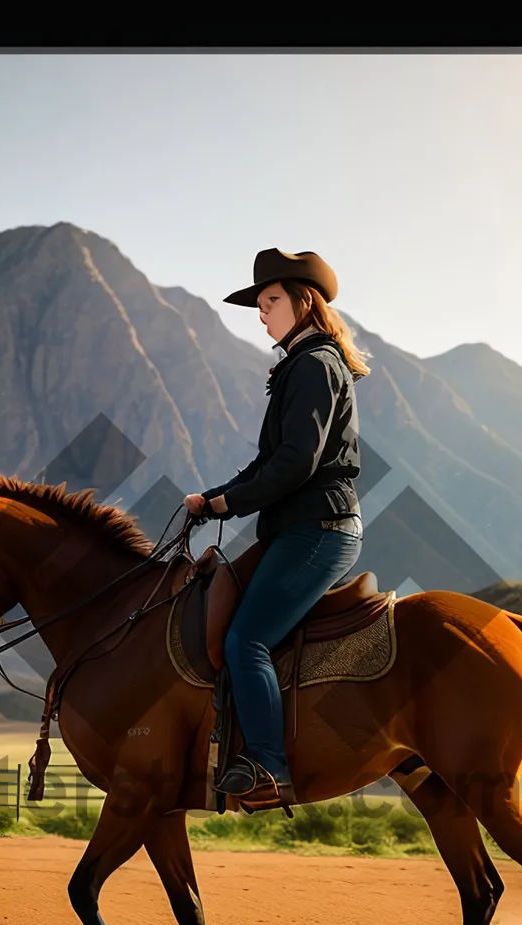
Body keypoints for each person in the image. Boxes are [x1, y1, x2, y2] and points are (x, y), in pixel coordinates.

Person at [183, 248, 370, 810]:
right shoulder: (302, 363)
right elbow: (271, 462)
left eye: (269, 302)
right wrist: (215, 497)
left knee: (247, 639)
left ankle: (268, 762)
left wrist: (227, 503)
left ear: (302, 303)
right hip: (298, 526)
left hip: (319, 526)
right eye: (259, 305)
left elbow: (297, 464)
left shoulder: (314, 365)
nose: (261, 314)